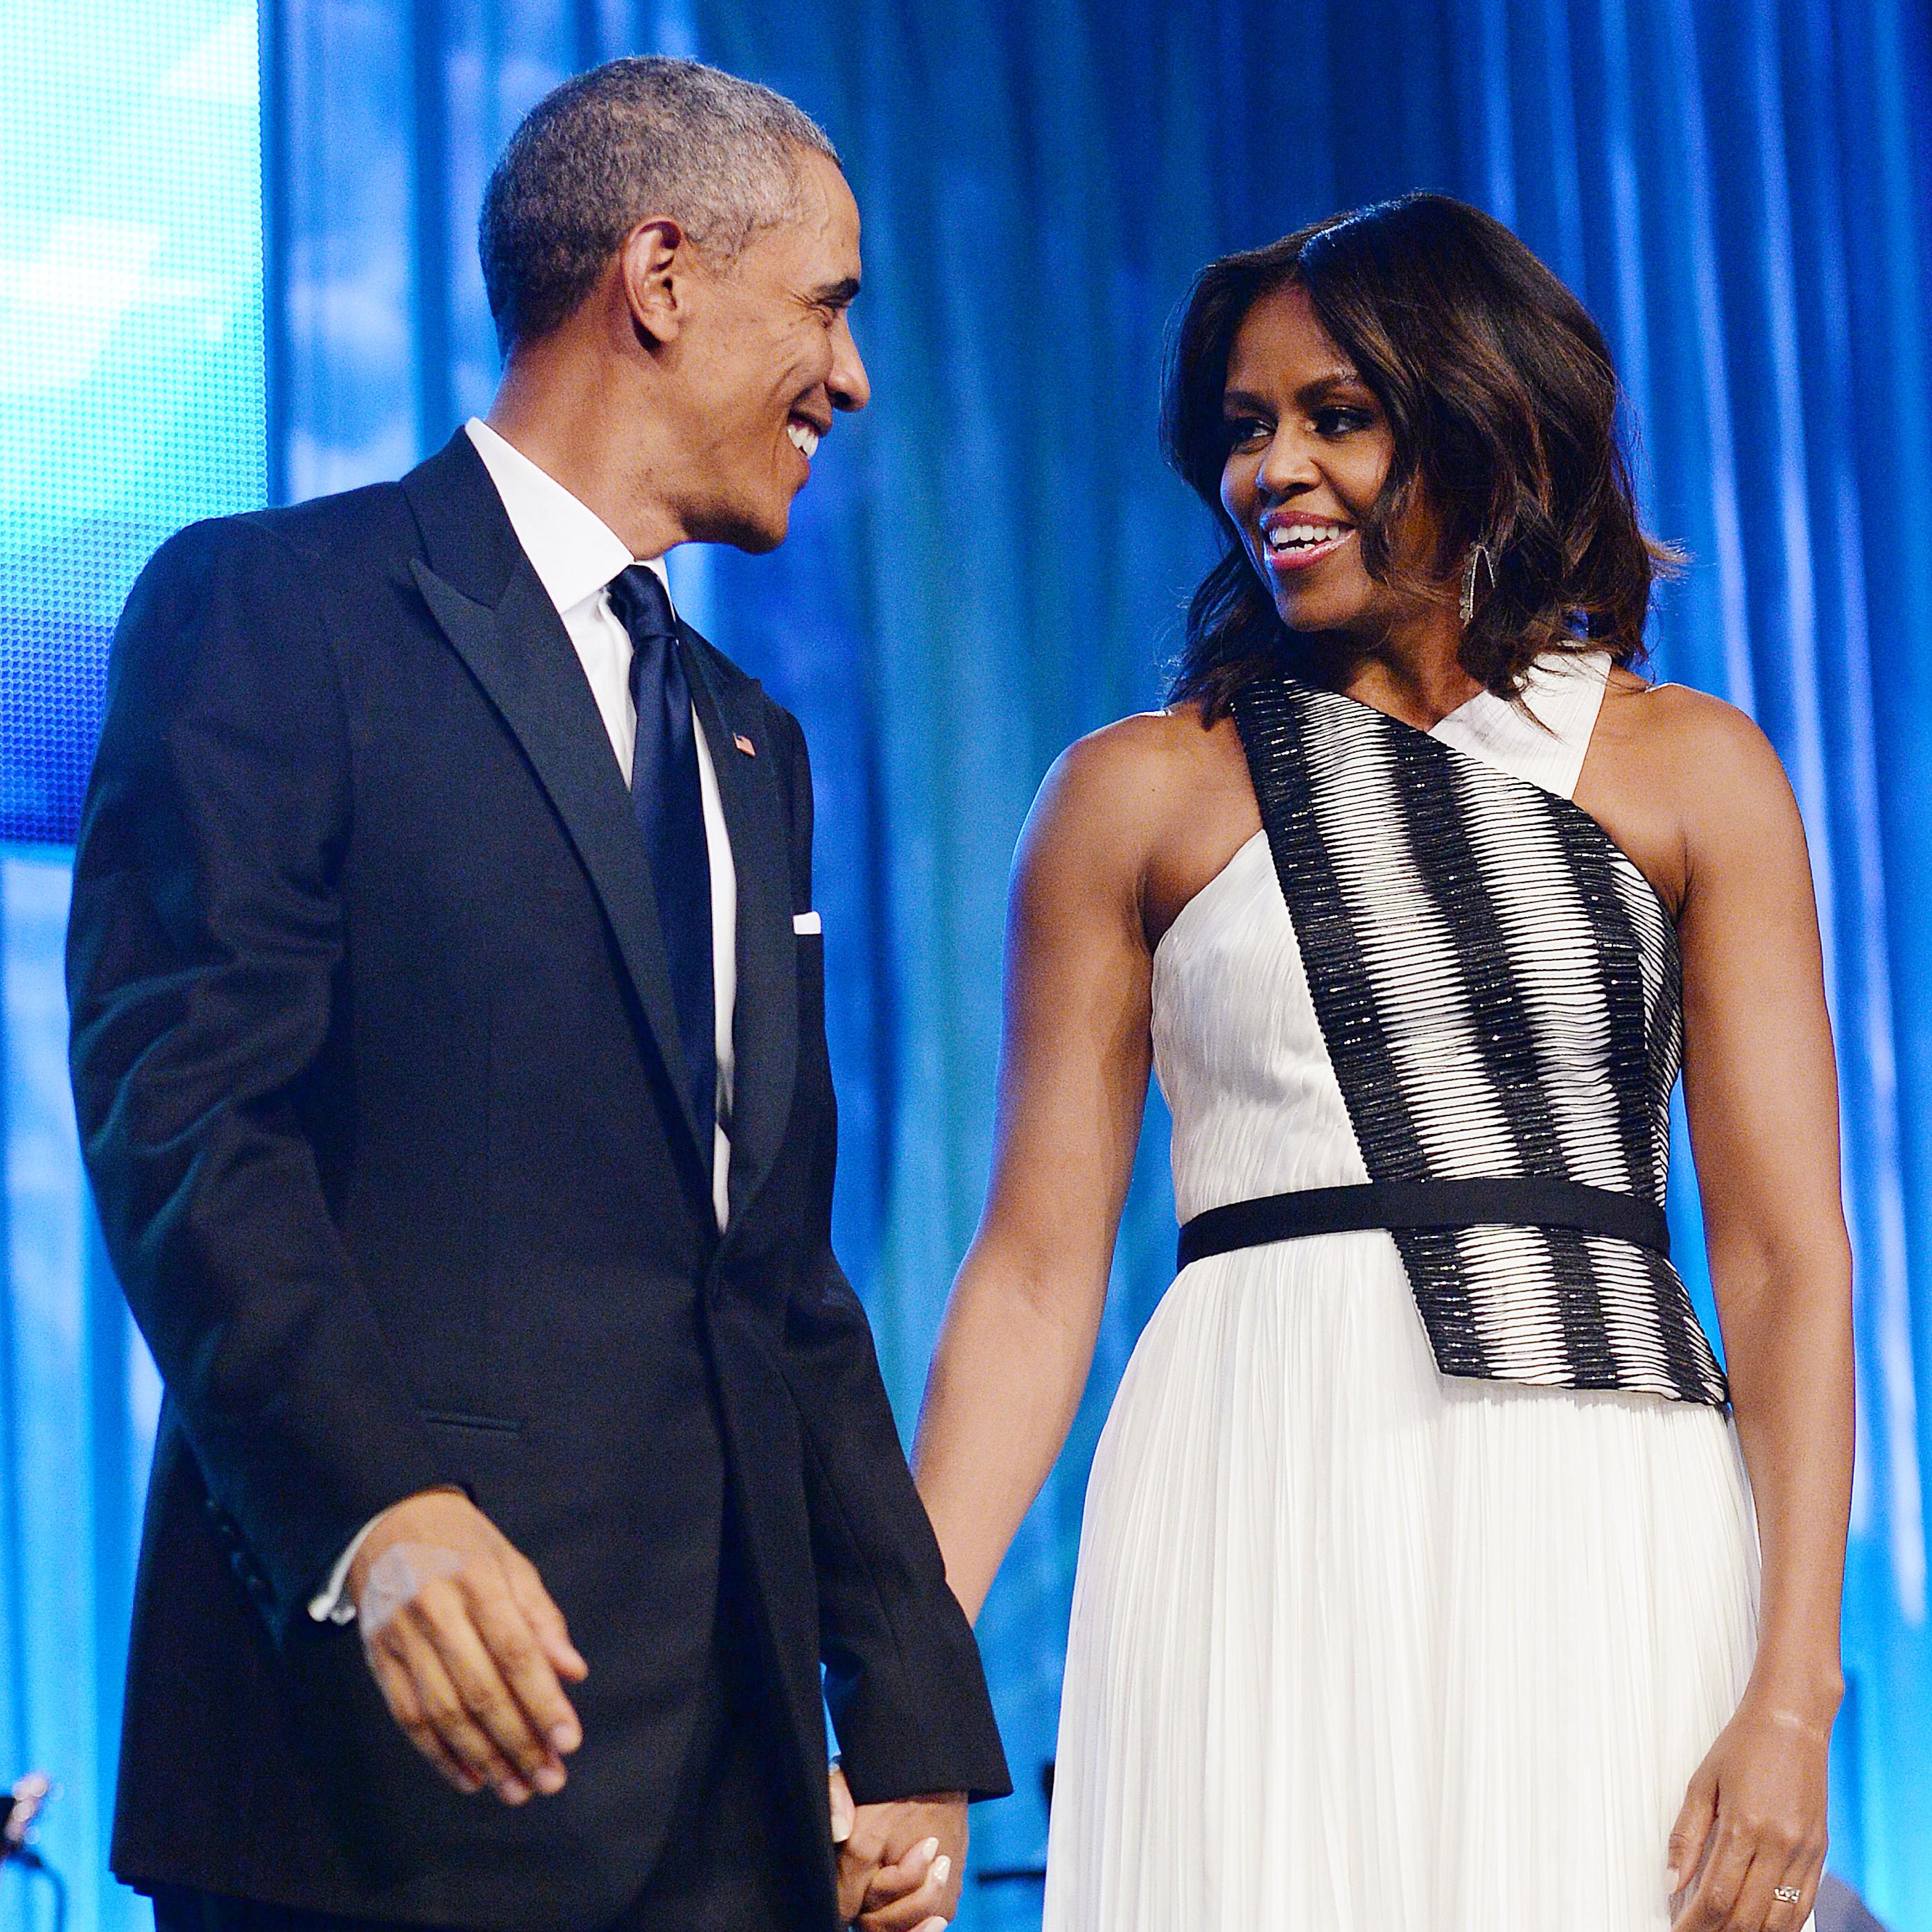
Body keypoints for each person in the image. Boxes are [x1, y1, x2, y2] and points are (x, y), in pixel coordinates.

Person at [67, 56, 1007, 1932]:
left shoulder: (753, 746)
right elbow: (188, 1125)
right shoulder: (276, 608)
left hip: (730, 1793)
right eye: (822, 304)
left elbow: (779, 1274)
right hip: (390, 1757)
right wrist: (373, 1511)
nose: (851, 377)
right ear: (658, 277)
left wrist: (901, 1703)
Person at [910, 194, 1852, 1932]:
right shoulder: (1134, 790)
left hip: (1603, 1500)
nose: (1272, 467)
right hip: (1250, 1482)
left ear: (1483, 413)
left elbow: (1789, 1262)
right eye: (1243, 428)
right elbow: (1033, 1275)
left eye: (1334, 415)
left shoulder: (1691, 769)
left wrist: (1791, 1693)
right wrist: (907, 1689)